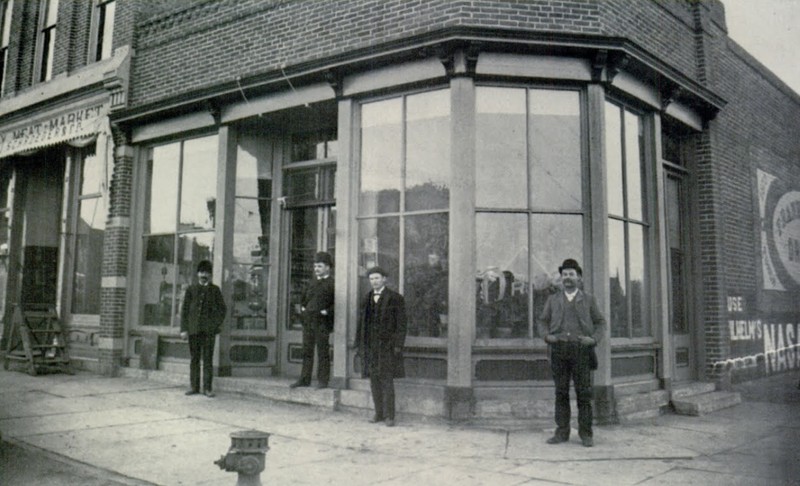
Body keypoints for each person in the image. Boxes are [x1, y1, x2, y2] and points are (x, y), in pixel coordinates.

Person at [538, 258, 605, 447]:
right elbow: (542, 321)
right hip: (559, 350)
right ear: (561, 278)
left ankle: (586, 434)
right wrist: (546, 336)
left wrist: (593, 339)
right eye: (565, 274)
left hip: (581, 351)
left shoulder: (589, 299)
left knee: (583, 393)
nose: (568, 278)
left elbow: (600, 322)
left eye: (571, 274)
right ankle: (561, 433)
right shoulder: (553, 299)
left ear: (579, 278)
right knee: (561, 393)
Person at [355, 266, 407, 427]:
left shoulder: (395, 298)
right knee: (374, 381)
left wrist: (398, 345)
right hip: (370, 346)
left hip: (387, 347)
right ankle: (378, 413)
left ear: (384, 279)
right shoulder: (367, 298)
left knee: (387, 381)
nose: (374, 281)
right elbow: (361, 323)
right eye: (371, 279)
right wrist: (359, 344)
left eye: (377, 278)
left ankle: (390, 416)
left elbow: (401, 324)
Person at [180, 259, 227, 398]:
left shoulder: (215, 290)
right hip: (193, 331)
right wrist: (184, 329)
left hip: (208, 333)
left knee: (208, 359)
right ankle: (194, 387)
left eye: (206, 272)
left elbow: (222, 310)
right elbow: (185, 311)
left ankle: (207, 388)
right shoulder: (191, 289)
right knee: (194, 359)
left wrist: (214, 325)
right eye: (201, 272)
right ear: (197, 274)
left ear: (210, 275)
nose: (203, 275)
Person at [291, 251, 335, 389]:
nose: (316, 269)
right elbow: (303, 299)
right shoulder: (311, 282)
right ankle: (304, 379)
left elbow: (336, 303)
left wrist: (327, 311)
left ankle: (323, 380)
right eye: (315, 266)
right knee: (307, 351)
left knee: (322, 351)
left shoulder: (333, 284)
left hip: (322, 321)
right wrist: (303, 310)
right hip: (309, 321)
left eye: (320, 266)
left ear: (328, 267)